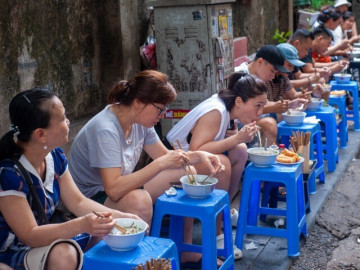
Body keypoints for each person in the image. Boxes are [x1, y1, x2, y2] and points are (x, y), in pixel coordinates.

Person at [69, 70, 225, 265]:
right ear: (139, 103)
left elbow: (166, 156)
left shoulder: (140, 121)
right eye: (160, 109)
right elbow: (114, 189)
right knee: (140, 200)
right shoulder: (105, 129)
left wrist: (200, 156)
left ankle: (184, 246)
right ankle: (134, 262)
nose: (162, 115)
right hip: (91, 199)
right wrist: (160, 164)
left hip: (113, 191)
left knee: (188, 170)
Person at [0, 88, 142, 270]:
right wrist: (82, 224)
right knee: (65, 254)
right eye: (63, 118)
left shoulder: (55, 156)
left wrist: (121, 217)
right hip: (11, 250)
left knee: (104, 232)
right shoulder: (9, 174)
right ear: (41, 134)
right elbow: (30, 235)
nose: (68, 122)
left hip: (40, 242)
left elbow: (79, 202)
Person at [166, 72, 266, 206]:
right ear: (238, 101)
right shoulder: (216, 111)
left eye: (263, 106)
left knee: (241, 150)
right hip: (172, 160)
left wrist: (235, 138)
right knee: (221, 163)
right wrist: (237, 138)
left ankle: (226, 207)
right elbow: (196, 150)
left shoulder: (229, 110)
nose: (260, 113)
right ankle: (217, 218)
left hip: (189, 159)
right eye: (257, 106)